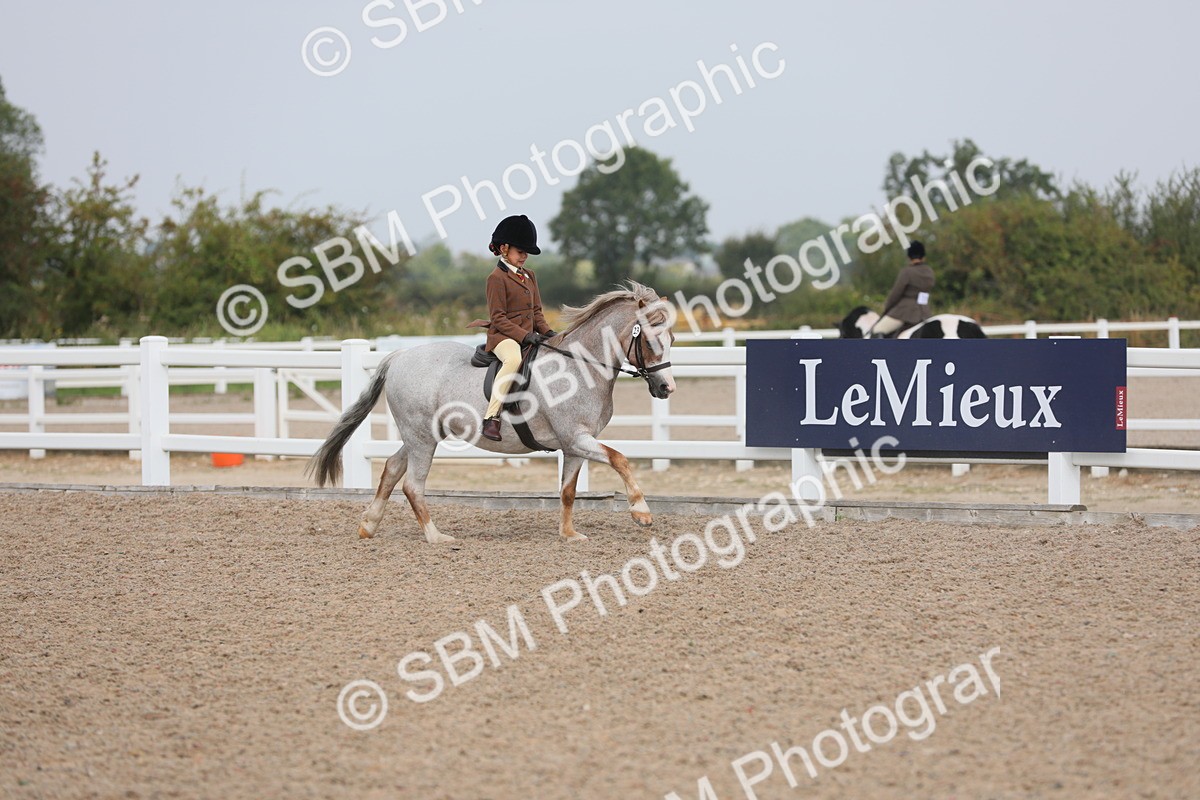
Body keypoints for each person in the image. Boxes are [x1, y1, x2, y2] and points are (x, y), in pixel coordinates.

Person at [479, 215, 555, 442]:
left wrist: (549, 333)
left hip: (529, 334)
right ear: (504, 249)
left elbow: (537, 312)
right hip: (503, 336)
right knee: (513, 360)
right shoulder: (496, 278)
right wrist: (525, 335)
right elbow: (498, 318)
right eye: (520, 251)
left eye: (526, 252)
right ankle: (491, 418)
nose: (524, 256)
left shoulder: (530, 275)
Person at [871, 240, 934, 338]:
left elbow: (895, 295)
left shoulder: (907, 272)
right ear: (923, 257)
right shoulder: (929, 272)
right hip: (925, 313)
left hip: (904, 312)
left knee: (876, 330)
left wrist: (886, 309)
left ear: (909, 257)